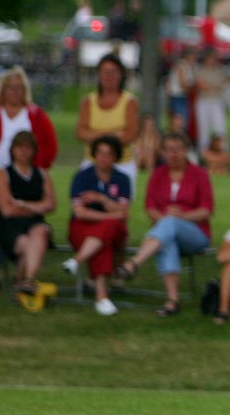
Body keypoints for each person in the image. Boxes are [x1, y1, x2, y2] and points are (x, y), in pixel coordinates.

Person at [0, 68, 59, 291]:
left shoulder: (34, 115)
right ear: (3, 90)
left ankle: (23, 271)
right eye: (10, 88)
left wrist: (38, 171)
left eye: (19, 88)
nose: (14, 92)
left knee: (30, 221)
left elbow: (49, 144)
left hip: (26, 178)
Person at [116, 132, 214, 317]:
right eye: (169, 150)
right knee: (167, 239)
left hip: (195, 232)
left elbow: (206, 210)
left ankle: (134, 263)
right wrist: (164, 219)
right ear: (163, 152)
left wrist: (183, 216)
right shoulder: (158, 175)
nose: (174, 154)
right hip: (165, 230)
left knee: (170, 224)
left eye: (178, 150)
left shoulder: (199, 174)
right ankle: (172, 301)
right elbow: (150, 208)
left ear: (186, 151)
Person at [63, 134, 131, 316]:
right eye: (100, 153)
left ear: (115, 157)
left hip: (111, 231)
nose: (103, 157)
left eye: (108, 154)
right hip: (82, 228)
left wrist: (100, 198)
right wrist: (110, 213)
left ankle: (77, 260)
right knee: (104, 238)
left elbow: (124, 213)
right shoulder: (82, 176)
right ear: (94, 155)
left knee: (110, 228)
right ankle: (102, 297)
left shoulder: (122, 179)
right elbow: (79, 212)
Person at [0, 130, 58, 310]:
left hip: (35, 224)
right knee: (27, 242)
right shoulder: (3, 174)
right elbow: (6, 210)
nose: (23, 152)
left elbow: (51, 204)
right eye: (19, 147)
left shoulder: (42, 174)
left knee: (41, 231)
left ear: (34, 151)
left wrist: (22, 204)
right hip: (10, 227)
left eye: (28, 148)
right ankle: (22, 282)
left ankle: (26, 281)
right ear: (12, 150)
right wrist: (37, 207)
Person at [77, 53, 140, 187]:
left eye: (113, 72)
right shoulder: (88, 102)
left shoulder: (130, 102)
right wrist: (111, 135)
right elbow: (81, 132)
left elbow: (131, 134)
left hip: (122, 163)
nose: (108, 76)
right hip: (92, 162)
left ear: (121, 75)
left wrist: (95, 136)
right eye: (104, 72)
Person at [194, 48, 229, 155]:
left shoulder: (219, 70)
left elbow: (225, 82)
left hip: (217, 101)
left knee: (220, 127)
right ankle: (203, 153)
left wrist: (213, 85)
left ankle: (223, 152)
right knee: (203, 128)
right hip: (204, 101)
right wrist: (215, 85)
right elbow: (201, 86)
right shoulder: (200, 70)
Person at [166, 46, 197, 138]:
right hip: (177, 96)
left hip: (182, 96)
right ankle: (175, 139)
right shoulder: (182, 65)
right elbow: (183, 83)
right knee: (179, 122)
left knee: (182, 122)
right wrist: (195, 87)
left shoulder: (188, 66)